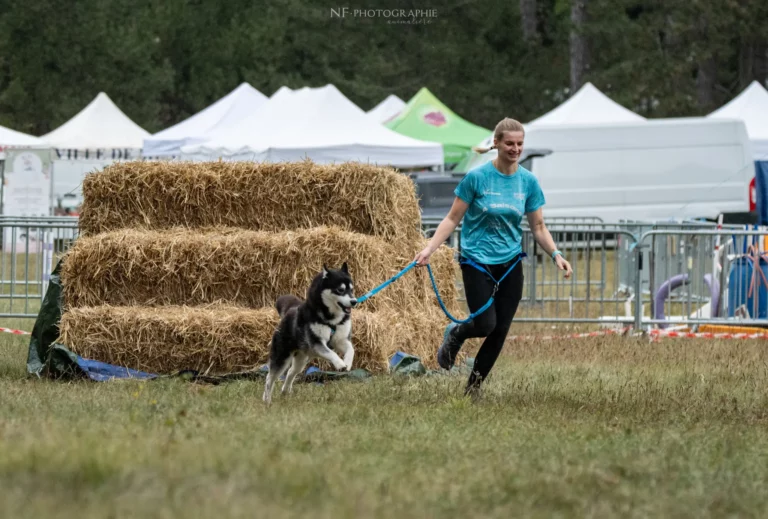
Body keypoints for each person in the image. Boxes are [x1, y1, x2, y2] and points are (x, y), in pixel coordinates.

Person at [414, 117, 573, 397]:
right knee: (485, 324)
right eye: (509, 143)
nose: (515, 149)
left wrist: (556, 253)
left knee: (500, 330)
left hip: (510, 262)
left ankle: (473, 390)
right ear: (496, 143)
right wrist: (429, 248)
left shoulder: (528, 181)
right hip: (477, 260)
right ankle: (458, 333)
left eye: (520, 144)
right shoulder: (476, 178)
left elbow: (538, 226)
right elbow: (452, 218)